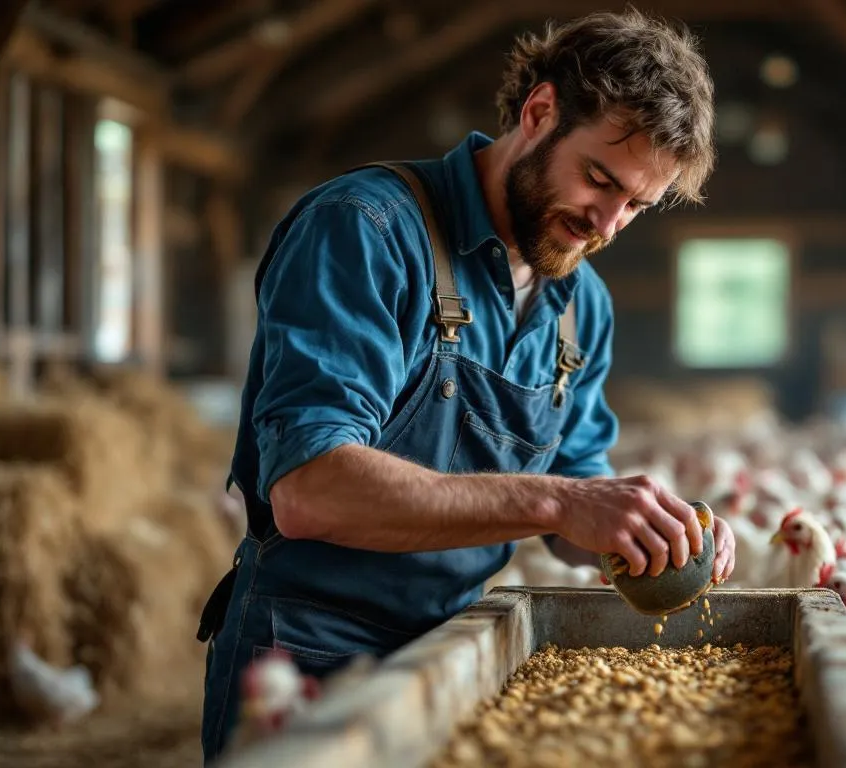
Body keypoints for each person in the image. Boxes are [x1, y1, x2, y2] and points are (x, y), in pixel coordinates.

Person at [196, 8, 736, 761]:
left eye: (636, 206)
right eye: (598, 179)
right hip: (308, 656)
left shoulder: (582, 306)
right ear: (539, 113)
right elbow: (310, 489)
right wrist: (558, 501)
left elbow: (573, 496)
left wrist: (649, 533)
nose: (607, 225)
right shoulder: (367, 231)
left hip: (458, 648)